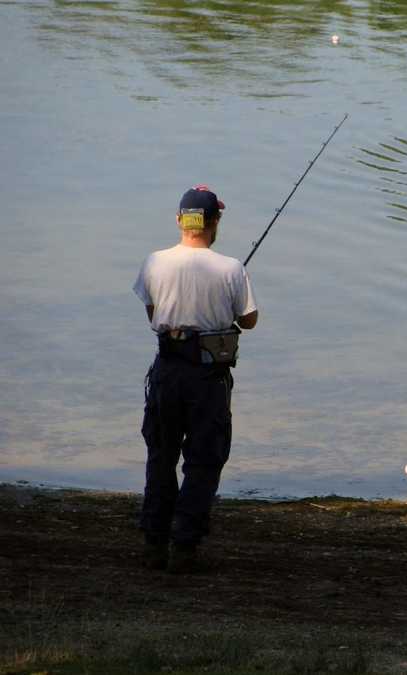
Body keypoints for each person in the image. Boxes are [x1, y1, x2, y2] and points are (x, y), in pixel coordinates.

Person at [133, 185, 258, 573]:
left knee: (161, 455)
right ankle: (184, 546)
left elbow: (152, 311)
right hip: (208, 376)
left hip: (167, 370)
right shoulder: (231, 268)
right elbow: (249, 320)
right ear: (214, 221)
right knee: (203, 460)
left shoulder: (154, 261)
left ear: (179, 220)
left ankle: (154, 542)